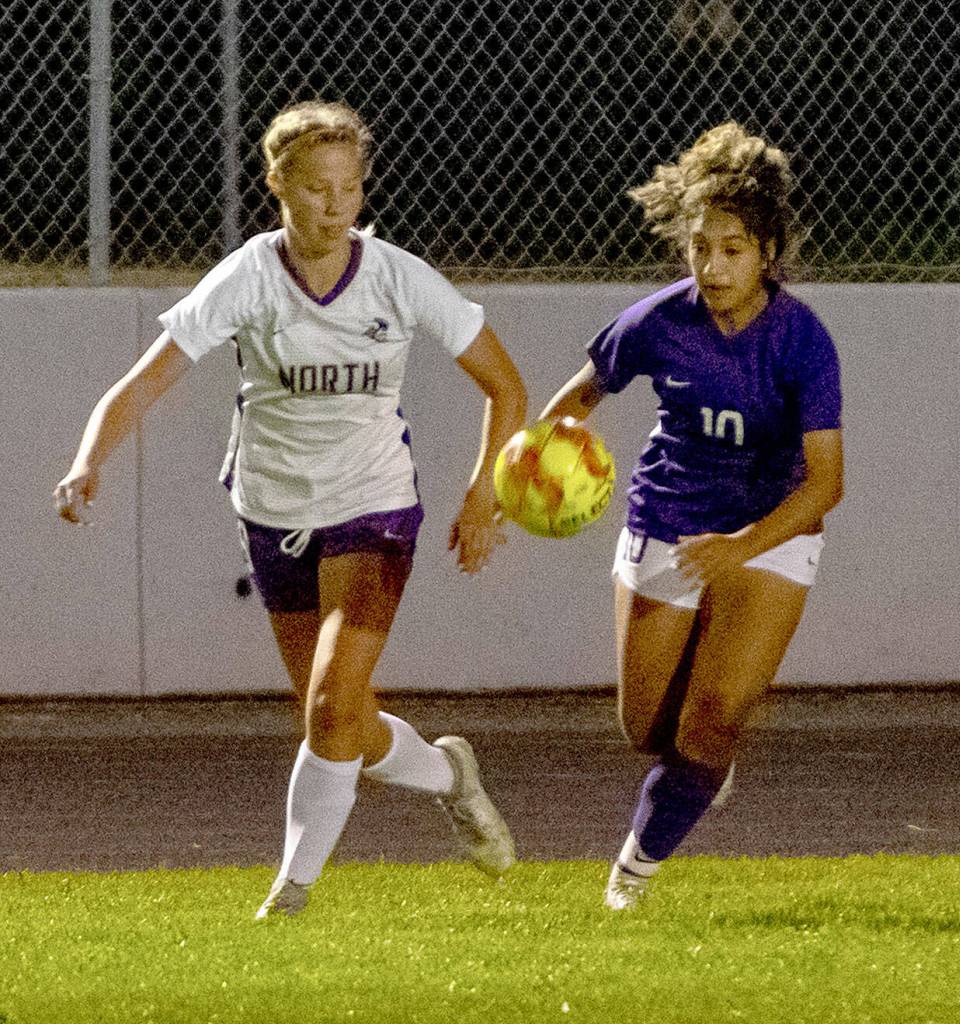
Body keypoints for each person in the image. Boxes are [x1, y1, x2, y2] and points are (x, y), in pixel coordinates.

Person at [54, 99, 528, 919]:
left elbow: (506, 387)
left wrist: (483, 491)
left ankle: (290, 895)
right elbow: (148, 378)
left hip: (376, 505)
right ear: (277, 184)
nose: (335, 204)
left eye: (349, 186)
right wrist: (87, 460)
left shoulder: (397, 276)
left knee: (330, 707)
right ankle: (451, 774)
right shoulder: (248, 277)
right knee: (339, 719)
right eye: (316, 187)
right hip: (272, 510)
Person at [539, 122, 844, 909]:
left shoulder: (802, 341)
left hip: (771, 532)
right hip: (668, 518)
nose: (711, 266)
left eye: (732, 249)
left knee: (708, 726)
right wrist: (537, 467)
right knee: (646, 728)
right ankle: (698, 771)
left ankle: (631, 878)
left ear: (767, 252)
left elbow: (825, 486)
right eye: (699, 247)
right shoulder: (658, 321)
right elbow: (577, 399)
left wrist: (742, 545)